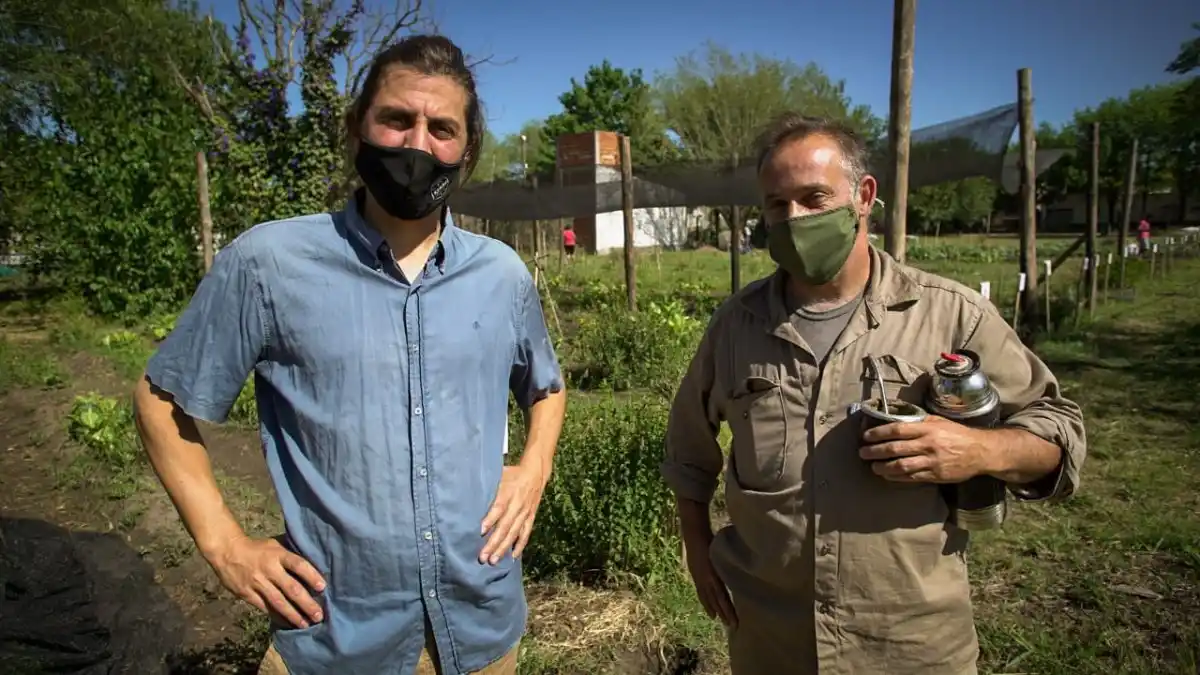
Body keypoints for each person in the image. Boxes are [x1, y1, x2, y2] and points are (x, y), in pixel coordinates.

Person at [132, 34, 567, 675]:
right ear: (356, 128)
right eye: (397, 118)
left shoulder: (501, 274)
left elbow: (546, 387)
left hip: (483, 633)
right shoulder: (268, 265)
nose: (418, 145)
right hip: (335, 640)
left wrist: (533, 469)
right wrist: (225, 545)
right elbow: (160, 400)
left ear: (467, 150)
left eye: (442, 128)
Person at [661, 112, 1086, 675]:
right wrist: (697, 549)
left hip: (908, 642)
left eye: (814, 197)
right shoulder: (736, 326)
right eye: (777, 204)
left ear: (863, 197)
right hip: (771, 639)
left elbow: (1060, 432)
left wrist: (978, 450)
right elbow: (688, 451)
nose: (794, 218)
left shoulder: (951, 315)